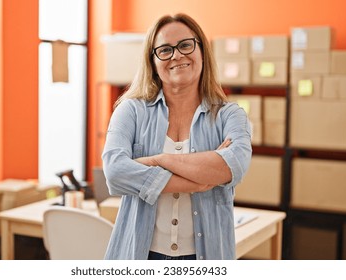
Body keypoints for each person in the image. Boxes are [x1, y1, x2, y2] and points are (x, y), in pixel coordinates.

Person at [102, 13, 252, 260]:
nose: (176, 55)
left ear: (201, 50)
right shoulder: (130, 110)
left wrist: (159, 159)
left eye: (185, 45)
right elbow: (115, 172)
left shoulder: (230, 115)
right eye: (164, 50)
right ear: (153, 61)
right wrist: (199, 181)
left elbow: (232, 167)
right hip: (140, 256)